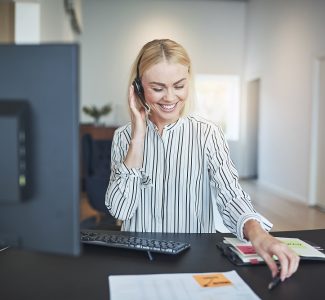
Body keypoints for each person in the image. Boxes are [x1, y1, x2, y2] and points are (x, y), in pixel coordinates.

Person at [105, 39, 299, 281]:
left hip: (193, 259)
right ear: (138, 87)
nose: (169, 97)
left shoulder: (208, 133)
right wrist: (138, 135)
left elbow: (231, 194)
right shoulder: (124, 137)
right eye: (157, 88)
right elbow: (119, 208)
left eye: (179, 85)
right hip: (138, 259)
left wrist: (257, 232)